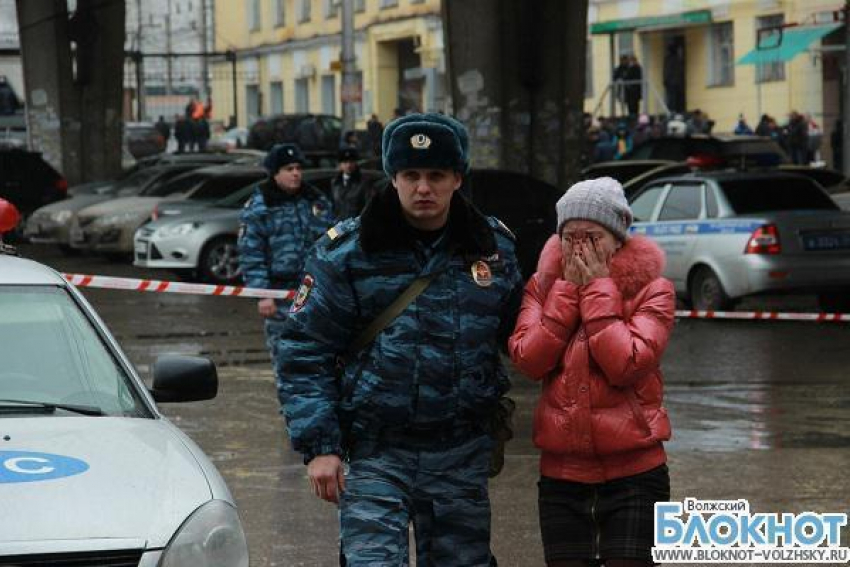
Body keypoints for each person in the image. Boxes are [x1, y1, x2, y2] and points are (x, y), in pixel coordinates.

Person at [277, 112, 524, 566]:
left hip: (460, 452)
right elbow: (303, 351)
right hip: (376, 451)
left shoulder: (494, 251)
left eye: (436, 175)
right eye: (411, 175)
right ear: (393, 178)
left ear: (457, 178)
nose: (423, 188)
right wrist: (321, 446)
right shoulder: (347, 253)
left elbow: (525, 337)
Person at [509, 177, 675, 567]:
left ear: (618, 240)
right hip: (562, 476)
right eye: (570, 237)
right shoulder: (543, 285)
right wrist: (567, 293)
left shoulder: (653, 289)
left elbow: (628, 364)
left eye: (592, 236)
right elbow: (528, 360)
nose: (579, 248)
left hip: (635, 472)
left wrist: (599, 289)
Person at [238, 143, 335, 410]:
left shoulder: (315, 201)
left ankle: (316, 406)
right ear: (275, 173)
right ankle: (291, 411)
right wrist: (263, 294)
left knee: (318, 355)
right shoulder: (260, 205)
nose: (296, 174)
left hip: (315, 292)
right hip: (279, 294)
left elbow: (331, 243)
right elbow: (251, 253)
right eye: (289, 169)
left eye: (298, 168)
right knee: (285, 355)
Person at [331, 146, 370, 220]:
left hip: (356, 227)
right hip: (338, 227)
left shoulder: (363, 182)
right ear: (340, 165)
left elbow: (367, 209)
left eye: (351, 162)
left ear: (355, 163)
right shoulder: (335, 183)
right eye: (345, 162)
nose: (348, 165)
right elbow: (333, 208)